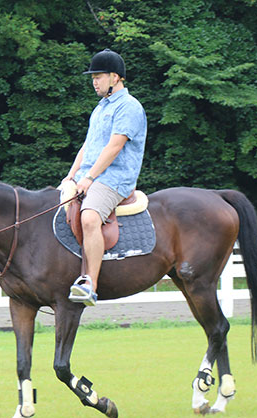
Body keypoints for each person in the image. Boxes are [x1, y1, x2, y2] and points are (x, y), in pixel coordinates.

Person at [62, 48, 147, 306]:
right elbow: (87, 147)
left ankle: (90, 284)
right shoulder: (100, 109)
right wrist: (70, 176)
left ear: (115, 77)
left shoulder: (129, 107)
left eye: (98, 76)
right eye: (92, 77)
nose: (94, 82)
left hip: (114, 179)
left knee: (89, 216)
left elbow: (114, 147)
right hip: (90, 175)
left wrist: (88, 178)